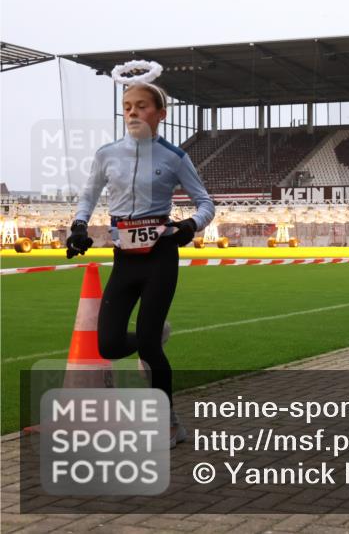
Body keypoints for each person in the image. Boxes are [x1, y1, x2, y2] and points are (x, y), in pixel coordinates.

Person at [67, 61, 215, 448]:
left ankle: (169, 425)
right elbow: (88, 196)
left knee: (148, 346)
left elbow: (205, 204)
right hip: (124, 259)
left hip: (160, 256)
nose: (132, 112)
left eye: (141, 106)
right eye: (127, 106)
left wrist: (190, 226)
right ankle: (156, 334)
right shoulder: (107, 154)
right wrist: (79, 226)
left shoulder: (174, 156)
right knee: (109, 345)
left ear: (160, 113)